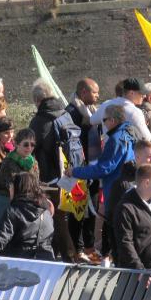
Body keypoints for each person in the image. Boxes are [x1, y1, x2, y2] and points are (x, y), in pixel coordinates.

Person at [67, 104, 135, 260]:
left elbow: (104, 168)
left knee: (117, 233)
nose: (103, 124)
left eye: (104, 120)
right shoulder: (130, 133)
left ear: (112, 120)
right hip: (128, 188)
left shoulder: (116, 139)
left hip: (116, 191)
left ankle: (117, 264)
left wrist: (75, 171)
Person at [28, 80, 76, 263]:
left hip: (50, 178)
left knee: (55, 216)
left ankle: (68, 257)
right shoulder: (66, 114)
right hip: (70, 173)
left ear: (38, 100)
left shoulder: (39, 120)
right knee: (64, 215)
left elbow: (32, 147)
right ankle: (62, 253)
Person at [65, 77, 101, 257]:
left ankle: (89, 246)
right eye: (95, 92)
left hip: (92, 167)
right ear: (84, 92)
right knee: (77, 210)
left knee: (92, 208)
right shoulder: (72, 112)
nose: (98, 95)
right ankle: (77, 248)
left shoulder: (92, 112)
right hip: (78, 167)